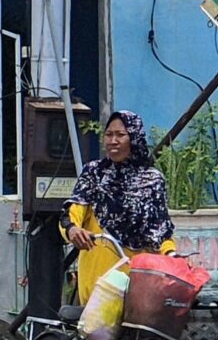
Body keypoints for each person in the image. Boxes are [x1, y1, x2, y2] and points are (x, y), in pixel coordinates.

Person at [65, 110, 176, 306]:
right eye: (109, 135)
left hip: (139, 273)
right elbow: (73, 210)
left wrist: (172, 255)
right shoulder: (94, 173)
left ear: (134, 138)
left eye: (120, 135)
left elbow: (161, 230)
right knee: (99, 331)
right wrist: (72, 229)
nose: (113, 141)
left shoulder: (153, 180)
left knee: (140, 331)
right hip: (99, 268)